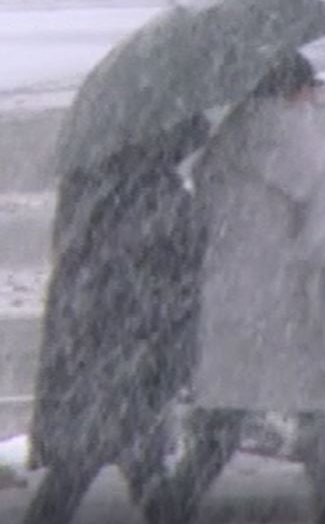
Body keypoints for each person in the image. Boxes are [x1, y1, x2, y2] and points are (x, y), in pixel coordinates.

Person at [165, 49, 325, 524]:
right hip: (292, 312)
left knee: (217, 429)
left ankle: (169, 510)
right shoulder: (302, 149)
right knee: (324, 428)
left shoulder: (223, 147)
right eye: (312, 89)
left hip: (229, 307)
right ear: (295, 91)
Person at [25, 114, 210, 524]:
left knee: (86, 461)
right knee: (133, 459)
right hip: (136, 347)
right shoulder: (162, 197)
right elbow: (183, 273)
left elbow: (76, 259)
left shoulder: (86, 186)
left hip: (84, 343)